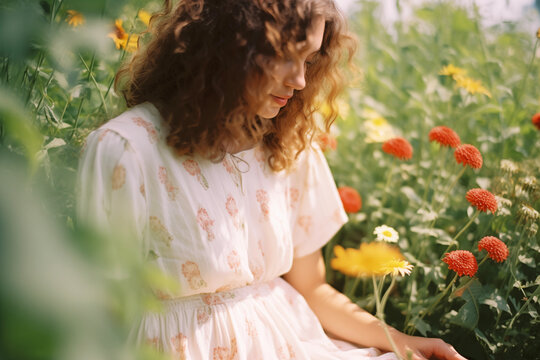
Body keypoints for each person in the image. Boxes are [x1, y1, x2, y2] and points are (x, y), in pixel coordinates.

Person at [77, 0, 467, 359]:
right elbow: (98, 314)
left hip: (292, 344)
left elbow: (312, 289)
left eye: (309, 60)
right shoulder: (128, 150)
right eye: (285, 56)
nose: (299, 80)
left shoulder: (288, 146)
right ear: (228, 46)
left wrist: (404, 344)